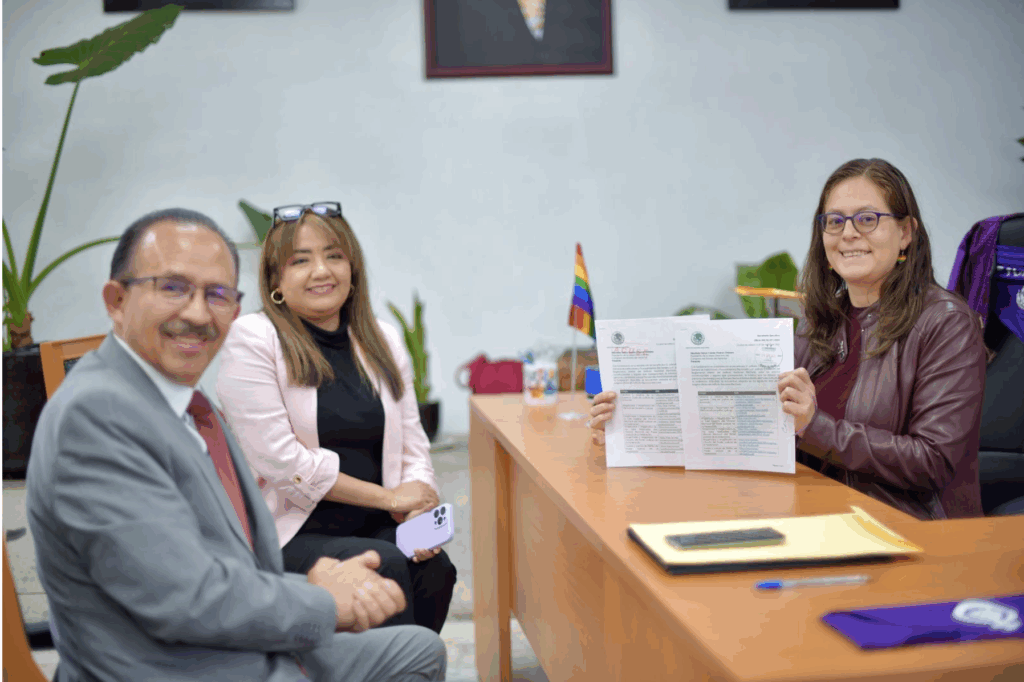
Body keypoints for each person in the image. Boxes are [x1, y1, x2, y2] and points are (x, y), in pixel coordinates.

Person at [26, 208, 447, 682]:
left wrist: (314, 582)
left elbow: (222, 558)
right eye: (173, 288)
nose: (197, 314)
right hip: (178, 666)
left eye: (217, 294)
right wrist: (321, 598)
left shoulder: (185, 403)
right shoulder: (97, 417)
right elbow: (184, 598)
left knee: (419, 649)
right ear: (117, 301)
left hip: (230, 637)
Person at [590, 159, 986, 520]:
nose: (848, 234)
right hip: (817, 514)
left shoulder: (946, 323)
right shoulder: (820, 322)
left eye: (867, 219)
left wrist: (815, 425)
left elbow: (933, 462)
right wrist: (633, 431)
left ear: (906, 233)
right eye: (835, 221)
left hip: (905, 529)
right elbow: (751, 427)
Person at [215, 202, 457, 634]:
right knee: (385, 567)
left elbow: (413, 443)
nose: (321, 271)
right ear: (276, 280)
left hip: (376, 524)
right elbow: (281, 461)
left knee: (434, 570)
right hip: (289, 532)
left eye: (334, 255)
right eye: (300, 260)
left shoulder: (383, 338)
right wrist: (390, 499)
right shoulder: (253, 339)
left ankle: (415, 665)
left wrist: (419, 504)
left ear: (352, 268)